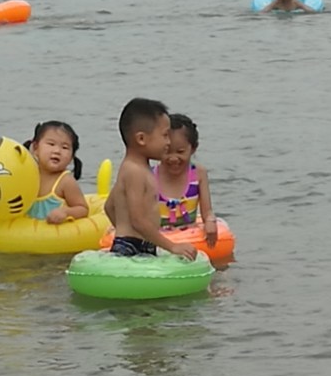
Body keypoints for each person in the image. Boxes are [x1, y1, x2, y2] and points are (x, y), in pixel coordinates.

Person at [104, 98, 197, 259]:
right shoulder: (134, 171)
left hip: (139, 242)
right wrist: (172, 246)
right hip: (131, 247)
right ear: (141, 139)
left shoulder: (139, 167)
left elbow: (109, 206)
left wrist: (124, 231)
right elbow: (137, 220)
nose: (168, 142)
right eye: (165, 135)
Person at [154, 113, 217, 247]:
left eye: (180, 151)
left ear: (193, 149)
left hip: (189, 237)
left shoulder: (198, 174)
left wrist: (210, 222)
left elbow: (207, 211)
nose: (173, 158)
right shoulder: (149, 176)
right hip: (159, 239)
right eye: (167, 151)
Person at [24, 121, 89, 223]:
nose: (57, 151)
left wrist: (66, 212)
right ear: (36, 148)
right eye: (51, 144)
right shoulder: (26, 174)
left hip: (55, 236)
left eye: (65, 147)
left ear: (72, 157)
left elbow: (83, 209)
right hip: (23, 234)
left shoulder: (66, 181)